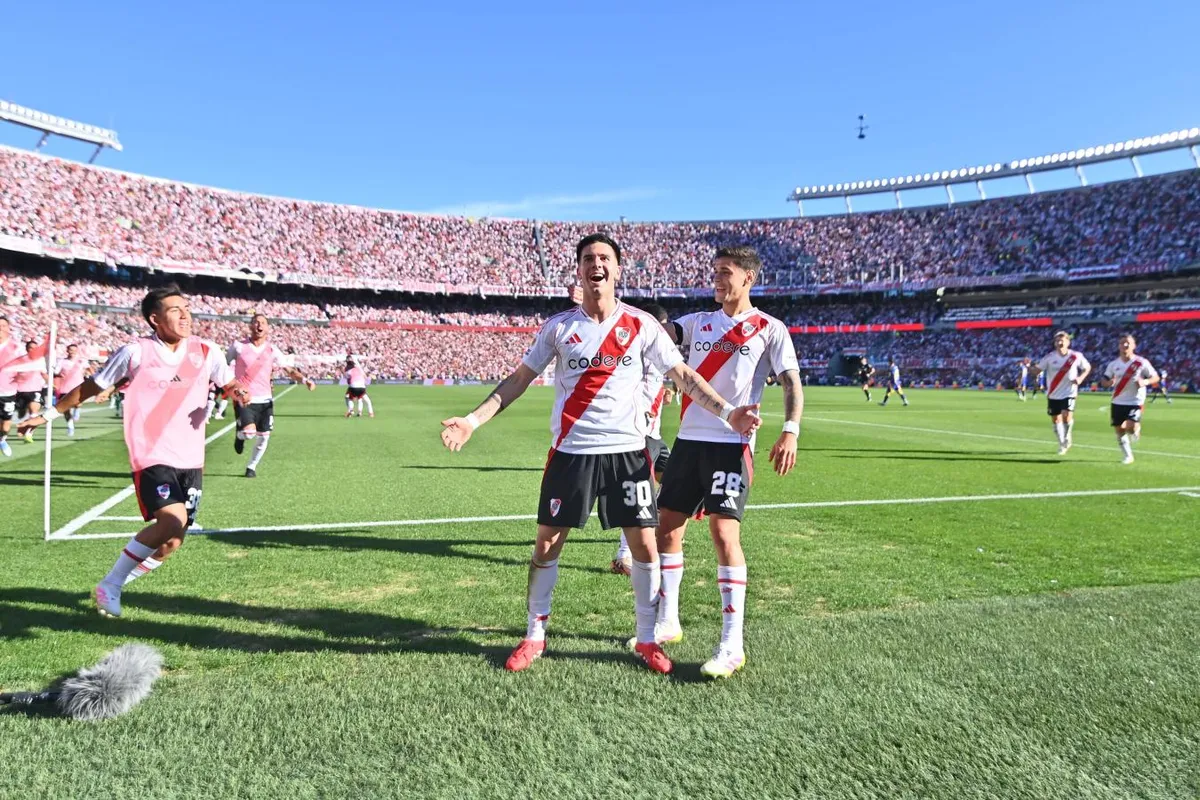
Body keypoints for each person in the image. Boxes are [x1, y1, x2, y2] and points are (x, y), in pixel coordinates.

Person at [439, 234, 760, 676]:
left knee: (645, 546)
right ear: (579, 270)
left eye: (605, 258)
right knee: (547, 544)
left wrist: (728, 412)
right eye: (589, 259)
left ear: (617, 269)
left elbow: (682, 375)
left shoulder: (642, 325)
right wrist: (473, 421)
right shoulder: (559, 328)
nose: (597, 265)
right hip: (572, 452)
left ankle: (648, 639)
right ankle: (534, 636)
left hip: (627, 455)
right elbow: (518, 379)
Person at [20, 285, 250, 617]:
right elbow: (91, 386)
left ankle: (112, 584)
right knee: (173, 519)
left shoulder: (206, 350)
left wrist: (238, 389)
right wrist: (48, 414)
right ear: (155, 319)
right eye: (175, 310)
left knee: (172, 541)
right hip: (151, 452)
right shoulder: (135, 352)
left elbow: (227, 382)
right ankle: (111, 585)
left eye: (186, 308)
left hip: (191, 458)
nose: (185, 314)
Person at [653, 246, 803, 680]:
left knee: (723, 532)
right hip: (688, 440)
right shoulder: (697, 322)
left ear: (749, 278)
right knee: (668, 528)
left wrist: (790, 430)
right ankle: (668, 620)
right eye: (714, 272)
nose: (717, 279)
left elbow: (791, 382)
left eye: (726, 273)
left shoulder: (769, 329)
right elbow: (663, 332)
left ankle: (732, 644)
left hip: (731, 443)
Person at [611, 303, 675, 576]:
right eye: (661, 326)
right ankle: (623, 555)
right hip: (639, 434)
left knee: (675, 483)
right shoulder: (633, 350)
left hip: (656, 435)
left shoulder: (660, 352)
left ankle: (656, 530)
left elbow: (664, 376)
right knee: (640, 495)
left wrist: (667, 390)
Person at [227, 314, 316, 477]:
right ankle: (240, 436)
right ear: (250, 326)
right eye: (256, 322)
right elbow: (224, 365)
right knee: (249, 433)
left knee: (263, 438)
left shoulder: (272, 349)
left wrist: (304, 380)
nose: (259, 325)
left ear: (268, 328)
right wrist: (233, 387)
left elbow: (288, 369)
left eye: (263, 323)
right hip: (245, 397)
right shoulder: (238, 346)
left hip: (266, 400)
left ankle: (251, 467)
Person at [1100, 333, 1159, 465]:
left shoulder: (1141, 363)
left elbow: (1155, 377)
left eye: (1128, 343)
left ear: (1133, 346)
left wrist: (1145, 382)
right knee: (1119, 429)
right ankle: (1128, 456)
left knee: (1130, 426)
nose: (1124, 345)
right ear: (1119, 346)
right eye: (1122, 343)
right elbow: (1104, 380)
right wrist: (1108, 383)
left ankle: (1135, 429)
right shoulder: (1113, 364)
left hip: (1135, 401)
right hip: (1118, 400)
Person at [1031, 330, 1091, 455]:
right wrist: (1030, 368)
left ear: (1068, 342)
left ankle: (1067, 436)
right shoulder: (1049, 357)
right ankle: (1061, 443)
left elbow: (1087, 367)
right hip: (1053, 393)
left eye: (1062, 341)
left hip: (1069, 392)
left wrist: (1080, 378)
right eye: (1057, 341)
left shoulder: (1075, 356)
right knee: (1055, 419)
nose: (1059, 343)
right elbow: (1037, 370)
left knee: (1066, 415)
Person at [54, 344, 88, 437]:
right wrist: (59, 375)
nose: (72, 352)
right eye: (70, 350)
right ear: (67, 351)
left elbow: (87, 369)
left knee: (78, 402)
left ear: (77, 351)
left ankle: (77, 410)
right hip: (65, 387)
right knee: (66, 409)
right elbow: (56, 372)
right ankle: (70, 426)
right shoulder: (62, 361)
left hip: (78, 386)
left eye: (74, 350)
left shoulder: (81, 361)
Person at [0, 317, 22, 456]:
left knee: (6, 421)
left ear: (8, 328)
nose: (0, 328)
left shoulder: (16, 347)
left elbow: (25, 366)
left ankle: (2, 439)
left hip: (8, 391)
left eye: (3, 325)